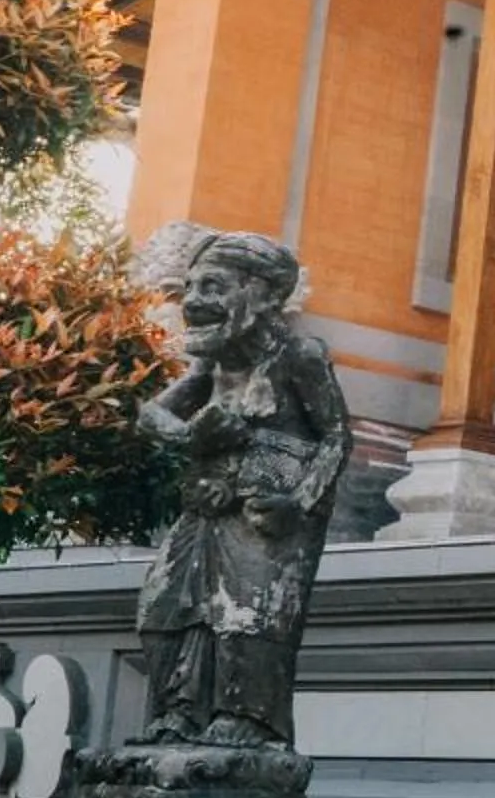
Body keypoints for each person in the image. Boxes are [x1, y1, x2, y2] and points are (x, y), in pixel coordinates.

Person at [133, 232, 349, 750]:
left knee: (249, 617)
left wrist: (299, 503)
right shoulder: (211, 366)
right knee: (163, 610)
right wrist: (190, 436)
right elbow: (150, 416)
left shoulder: (299, 357)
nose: (193, 301)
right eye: (191, 288)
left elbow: (337, 436)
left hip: (265, 516)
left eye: (213, 287)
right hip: (205, 507)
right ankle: (180, 712)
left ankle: (247, 720)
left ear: (264, 295)